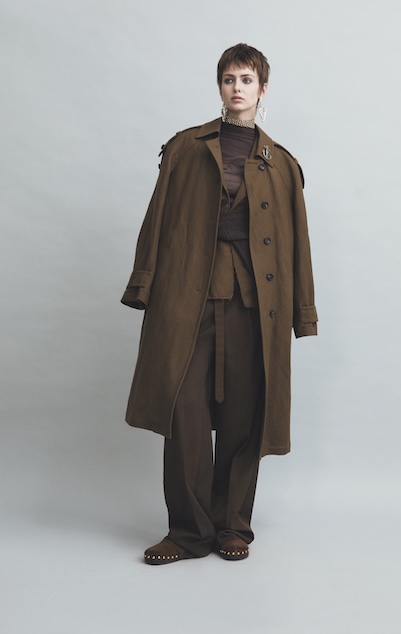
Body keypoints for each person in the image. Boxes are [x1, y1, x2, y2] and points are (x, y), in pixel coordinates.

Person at [121, 43, 318, 565]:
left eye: (247, 80)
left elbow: (298, 243)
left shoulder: (283, 163)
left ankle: (232, 526)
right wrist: (144, 283)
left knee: (244, 415)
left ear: (262, 89)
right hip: (188, 297)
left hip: (256, 304)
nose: (237, 88)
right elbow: (158, 219)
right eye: (229, 79)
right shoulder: (185, 148)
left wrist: (303, 311)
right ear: (220, 86)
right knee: (183, 410)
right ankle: (188, 533)